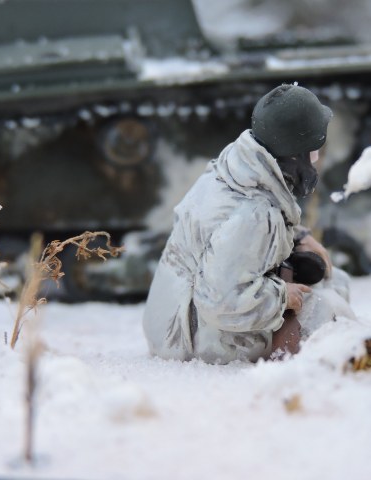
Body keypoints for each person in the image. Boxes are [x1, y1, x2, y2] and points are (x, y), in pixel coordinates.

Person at [143, 84, 353, 364]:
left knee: (333, 279)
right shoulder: (254, 214)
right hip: (188, 336)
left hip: (171, 313)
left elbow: (230, 236)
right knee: (324, 306)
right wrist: (282, 297)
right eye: (314, 151)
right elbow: (220, 302)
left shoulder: (238, 167)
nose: (317, 160)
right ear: (296, 154)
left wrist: (299, 237)